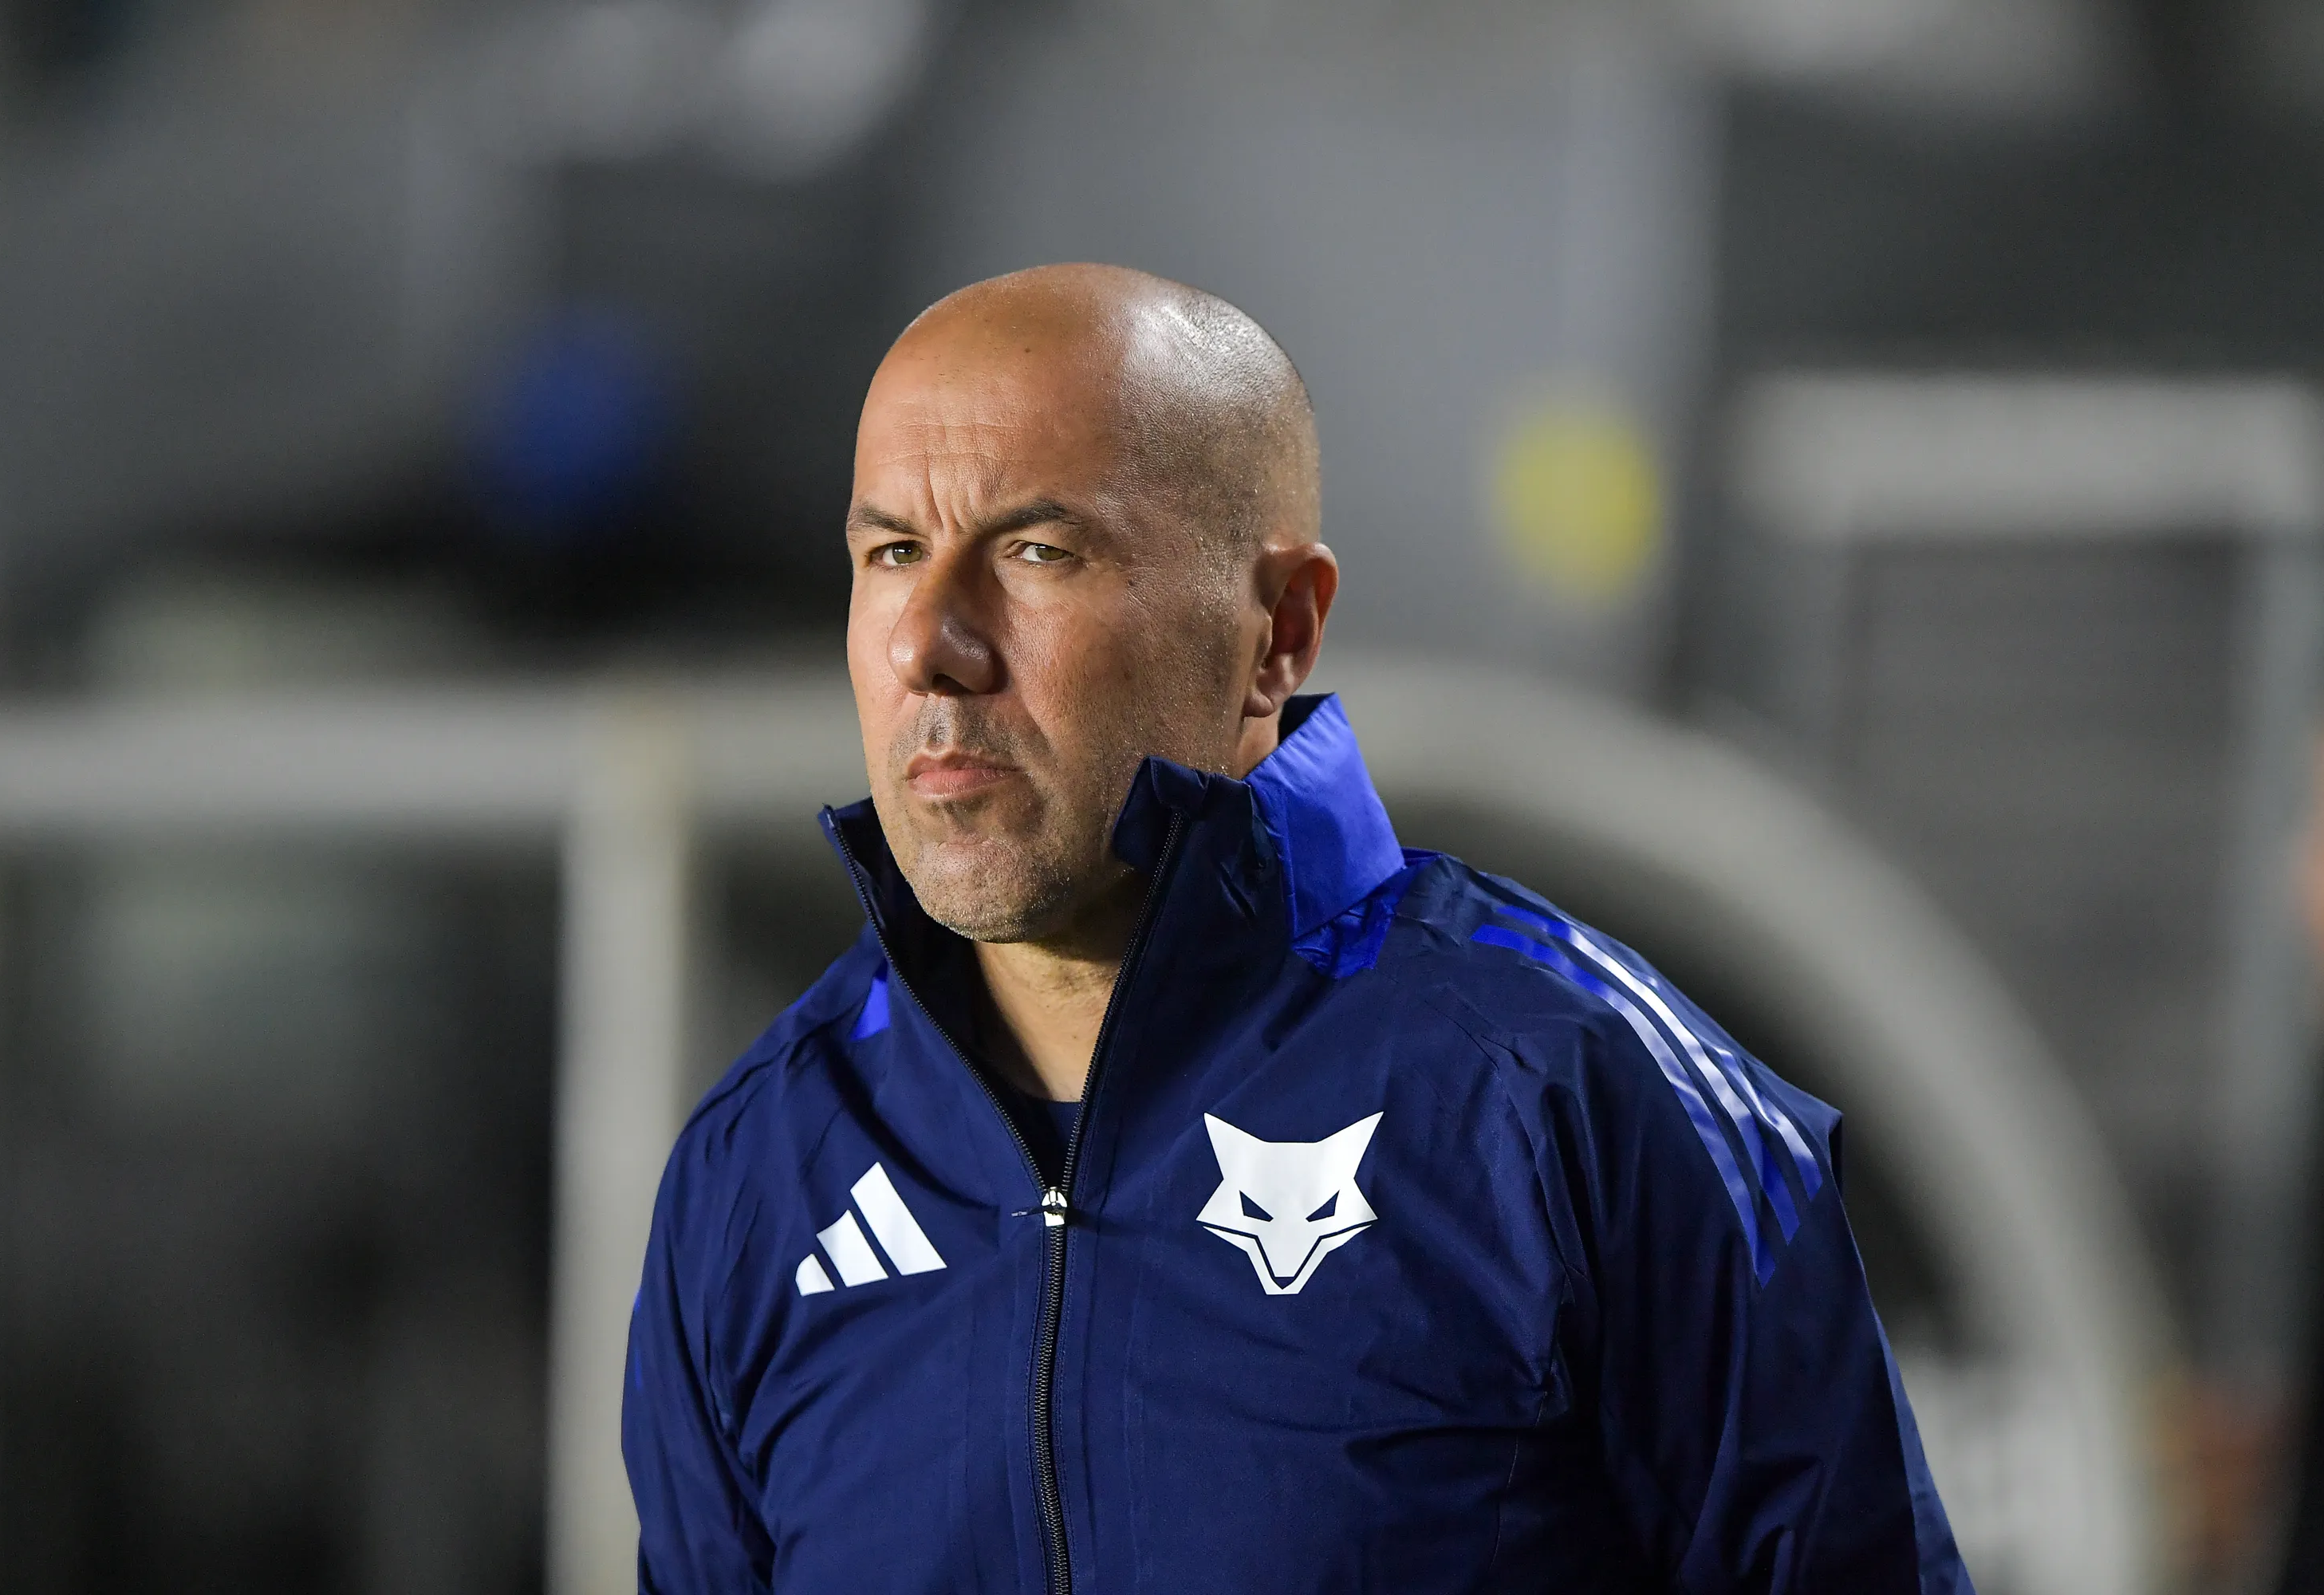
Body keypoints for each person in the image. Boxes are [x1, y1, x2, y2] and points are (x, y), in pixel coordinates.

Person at [623, 262, 1971, 1593]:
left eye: (1036, 551)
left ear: (1279, 631)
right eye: (892, 553)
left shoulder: (1578, 1097)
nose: (931, 644)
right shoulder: (759, 1171)